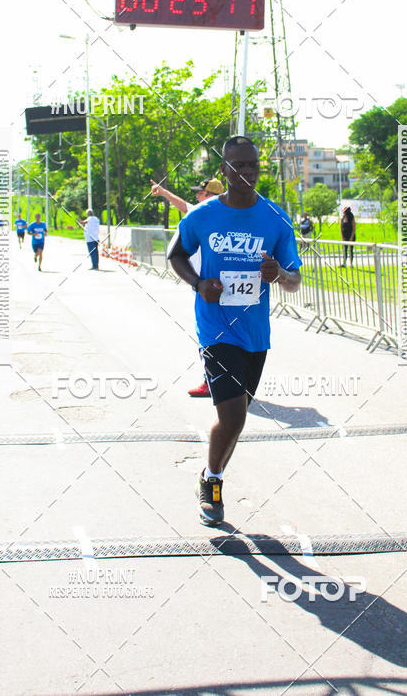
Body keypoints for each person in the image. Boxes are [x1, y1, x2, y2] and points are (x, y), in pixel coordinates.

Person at [168, 136, 302, 526]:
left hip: (255, 334)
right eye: (238, 166)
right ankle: (212, 482)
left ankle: (211, 474)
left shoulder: (275, 219)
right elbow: (175, 254)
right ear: (223, 171)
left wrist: (278, 273)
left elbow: (294, 279)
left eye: (252, 166)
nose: (246, 172)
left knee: (237, 415)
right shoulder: (203, 216)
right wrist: (197, 283)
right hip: (215, 329)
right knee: (233, 418)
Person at [152, 176, 225, 397]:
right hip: (220, 282)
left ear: (211, 196)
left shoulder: (206, 213)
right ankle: (224, 378)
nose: (197, 196)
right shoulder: (224, 215)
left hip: (207, 285)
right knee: (223, 333)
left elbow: (184, 206)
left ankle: (211, 380)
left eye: (201, 193)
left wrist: (164, 192)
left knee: (208, 334)